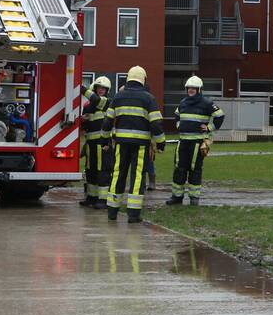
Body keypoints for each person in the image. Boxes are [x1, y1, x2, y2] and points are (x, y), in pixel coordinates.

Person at [102, 66, 164, 223]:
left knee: (117, 173)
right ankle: (133, 214)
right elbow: (156, 124)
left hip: (121, 143)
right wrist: (160, 142)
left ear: (128, 79)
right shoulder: (149, 98)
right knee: (137, 176)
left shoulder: (118, 96)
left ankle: (112, 212)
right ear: (143, 79)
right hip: (141, 144)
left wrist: (104, 139)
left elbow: (107, 121)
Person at [167, 76, 225, 207]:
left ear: (199, 89)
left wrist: (209, 128)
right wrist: (178, 125)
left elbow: (220, 116)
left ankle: (194, 198)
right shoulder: (183, 102)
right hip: (182, 142)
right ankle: (177, 197)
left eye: (193, 88)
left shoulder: (207, 103)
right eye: (189, 88)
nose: (191, 90)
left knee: (195, 170)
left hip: (197, 143)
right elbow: (176, 114)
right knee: (179, 169)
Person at [79, 76, 112, 208]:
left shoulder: (107, 102)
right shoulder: (87, 106)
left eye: (104, 88)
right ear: (95, 88)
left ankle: (103, 200)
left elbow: (96, 99)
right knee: (90, 170)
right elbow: (85, 127)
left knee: (103, 170)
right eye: (99, 87)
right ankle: (92, 197)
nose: (101, 90)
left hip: (103, 143)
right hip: (90, 144)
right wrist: (83, 120)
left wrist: (81, 89)